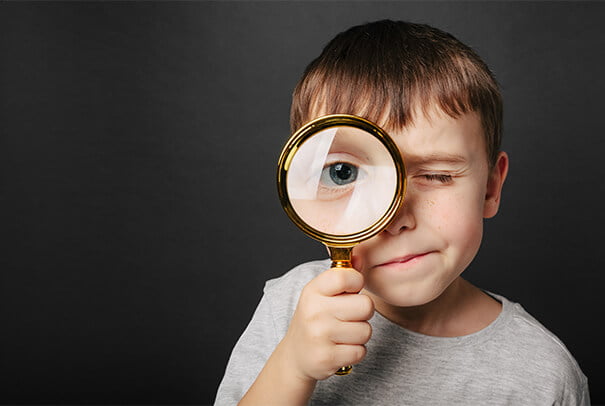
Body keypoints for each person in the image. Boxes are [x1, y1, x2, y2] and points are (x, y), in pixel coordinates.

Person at [214, 20, 590, 405]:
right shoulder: (292, 307)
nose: (395, 218)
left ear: (491, 188)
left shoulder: (544, 374)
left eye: (436, 174)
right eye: (343, 173)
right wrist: (291, 367)